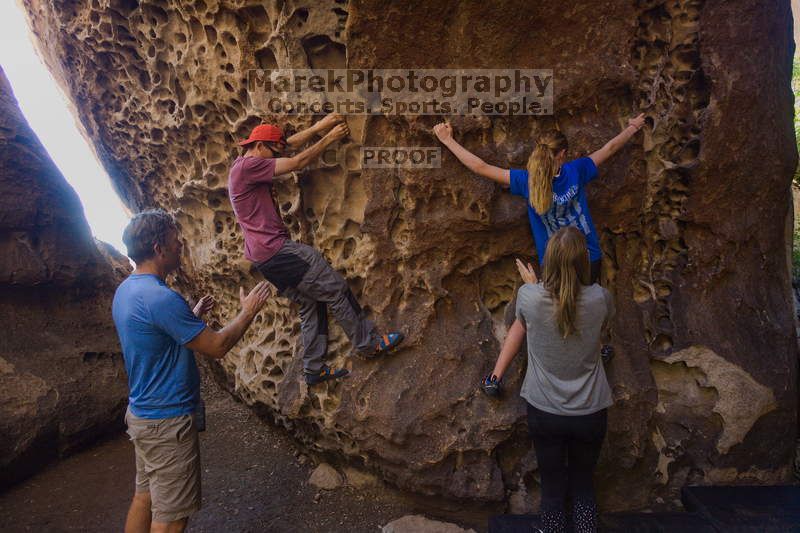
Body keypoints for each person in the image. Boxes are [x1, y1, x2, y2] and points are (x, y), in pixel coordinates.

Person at [113, 209, 272, 533]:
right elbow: (216, 347)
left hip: (143, 416)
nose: (181, 245)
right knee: (171, 516)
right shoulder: (161, 298)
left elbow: (153, 337)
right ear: (159, 248)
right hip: (166, 423)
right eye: (175, 240)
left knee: (145, 497)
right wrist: (248, 312)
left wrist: (191, 315)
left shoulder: (127, 291)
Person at [228, 113, 404, 386]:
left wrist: (320, 125)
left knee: (311, 303)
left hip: (265, 260)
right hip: (277, 251)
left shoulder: (247, 163)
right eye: (274, 150)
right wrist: (330, 137)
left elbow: (288, 146)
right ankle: (368, 344)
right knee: (334, 288)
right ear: (260, 146)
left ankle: (313, 369)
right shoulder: (249, 166)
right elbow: (297, 161)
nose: (278, 153)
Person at [483, 226, 614, 533]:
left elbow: (527, 318)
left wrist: (533, 285)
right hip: (591, 412)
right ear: (584, 261)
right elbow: (593, 327)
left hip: (545, 412)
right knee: (584, 485)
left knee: (553, 489)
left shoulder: (528, 297)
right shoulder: (601, 298)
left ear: (548, 261)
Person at [432, 114, 645, 282]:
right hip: (587, 256)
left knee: (561, 320)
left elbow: (480, 167)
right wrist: (633, 127)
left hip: (554, 263)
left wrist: (447, 140)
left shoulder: (527, 181)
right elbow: (609, 148)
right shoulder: (576, 170)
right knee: (588, 313)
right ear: (562, 154)